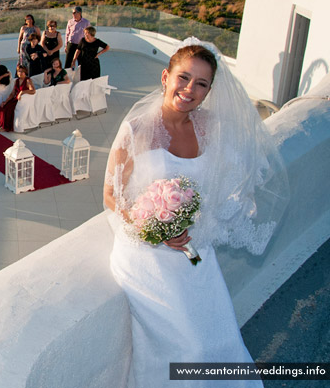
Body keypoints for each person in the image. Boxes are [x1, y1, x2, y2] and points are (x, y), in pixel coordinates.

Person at [104, 39, 287, 388]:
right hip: (146, 253)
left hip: (194, 249)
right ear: (165, 76)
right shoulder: (138, 129)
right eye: (183, 78)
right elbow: (112, 194)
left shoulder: (211, 127)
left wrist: (198, 220)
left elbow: (231, 181)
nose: (190, 89)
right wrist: (151, 226)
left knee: (222, 338)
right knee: (190, 348)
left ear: (209, 90)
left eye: (201, 84)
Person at [0, 64, 36, 132]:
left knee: (8, 109)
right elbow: (12, 93)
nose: (20, 73)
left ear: (25, 72)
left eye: (22, 71)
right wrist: (6, 101)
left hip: (21, 100)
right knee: (3, 106)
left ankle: (6, 127)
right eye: (18, 71)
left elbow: (33, 91)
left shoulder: (28, 80)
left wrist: (22, 92)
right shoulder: (17, 81)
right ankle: (1, 124)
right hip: (15, 99)